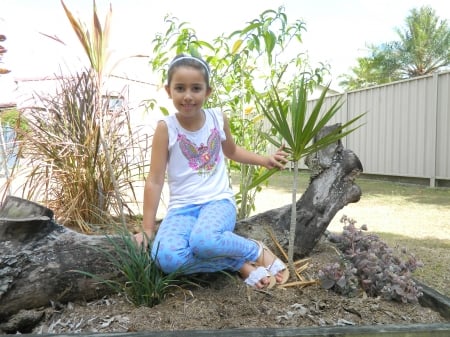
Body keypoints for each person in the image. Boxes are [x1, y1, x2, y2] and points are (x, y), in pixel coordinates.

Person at [134, 53, 289, 289]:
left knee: (203, 241)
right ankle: (237, 262)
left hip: (217, 203)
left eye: (196, 88)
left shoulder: (217, 118)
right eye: (180, 88)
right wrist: (147, 229)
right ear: (168, 90)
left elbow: (232, 151)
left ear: (208, 91)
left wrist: (264, 160)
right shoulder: (166, 128)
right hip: (182, 210)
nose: (188, 96)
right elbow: (155, 180)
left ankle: (255, 250)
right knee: (164, 257)